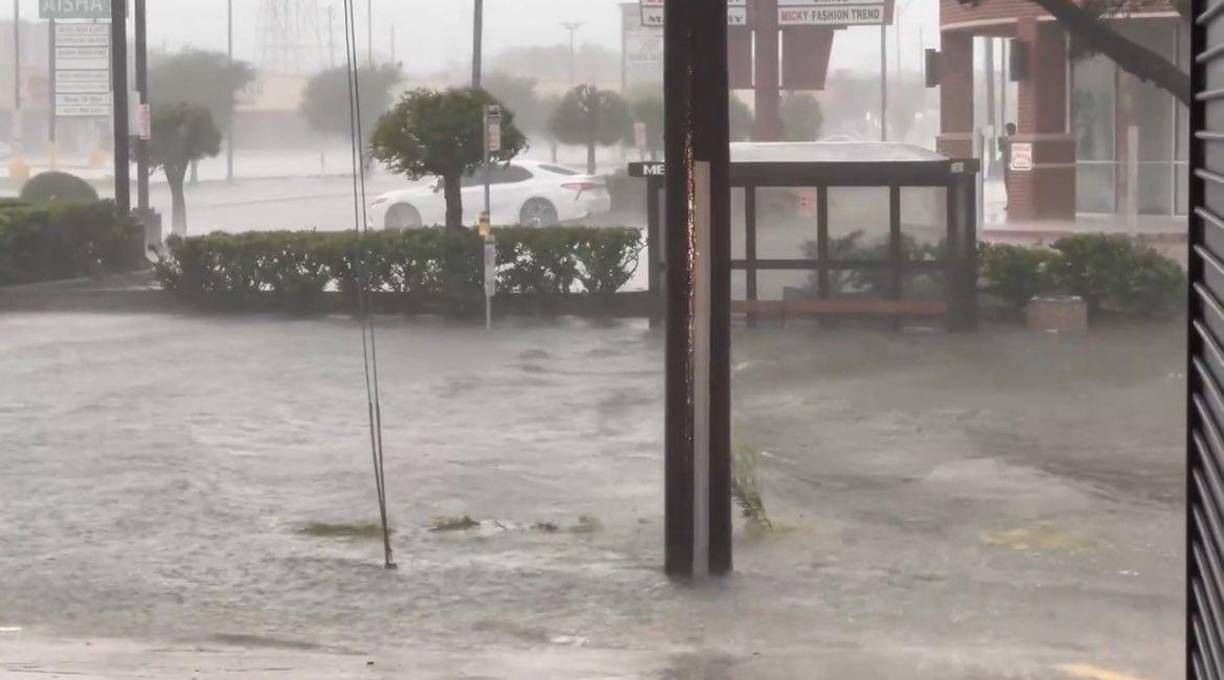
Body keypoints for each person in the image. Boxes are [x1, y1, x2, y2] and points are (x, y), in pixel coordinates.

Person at [998, 122, 1016, 210]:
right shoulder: (1005, 139)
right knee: (1009, 185)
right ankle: (1011, 203)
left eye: (1008, 129)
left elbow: (1001, 149)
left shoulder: (1006, 139)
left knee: (1009, 185)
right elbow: (1001, 149)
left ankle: (1011, 203)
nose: (1008, 131)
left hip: (1010, 166)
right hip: (1010, 166)